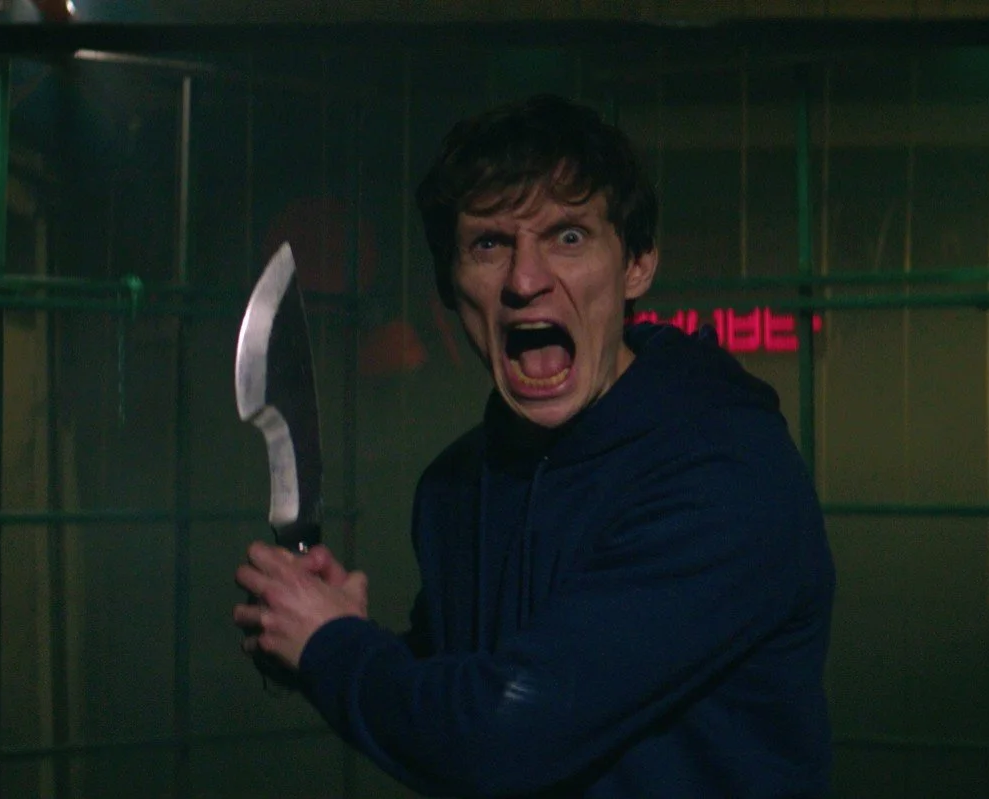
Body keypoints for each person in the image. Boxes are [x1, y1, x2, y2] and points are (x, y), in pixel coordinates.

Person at [233, 94, 836, 798]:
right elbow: (476, 685)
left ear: (637, 264)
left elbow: (503, 734)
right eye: (489, 245)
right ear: (449, 284)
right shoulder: (457, 487)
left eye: (568, 237)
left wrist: (333, 648)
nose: (525, 280)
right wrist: (335, 633)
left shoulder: (726, 476)